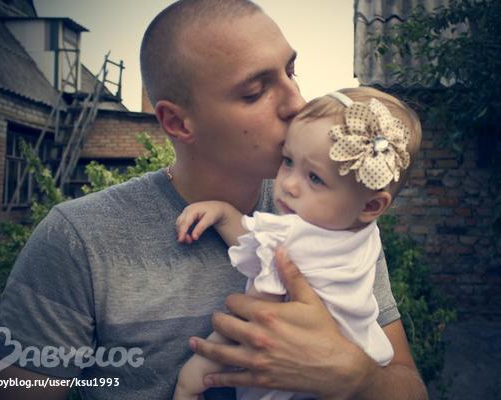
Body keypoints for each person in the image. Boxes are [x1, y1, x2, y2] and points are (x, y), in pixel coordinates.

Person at [0, 1, 427, 399]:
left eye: (291, 71)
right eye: (255, 91)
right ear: (178, 123)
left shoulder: (336, 217)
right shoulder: (80, 241)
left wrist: (356, 377)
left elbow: (409, 388)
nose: (297, 103)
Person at [172, 87, 422, 400]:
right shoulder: (363, 233)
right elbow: (267, 246)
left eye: (315, 178)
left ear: (371, 206)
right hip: (366, 360)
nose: (289, 184)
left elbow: (255, 319)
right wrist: (228, 214)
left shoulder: (293, 235)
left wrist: (194, 374)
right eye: (288, 161)